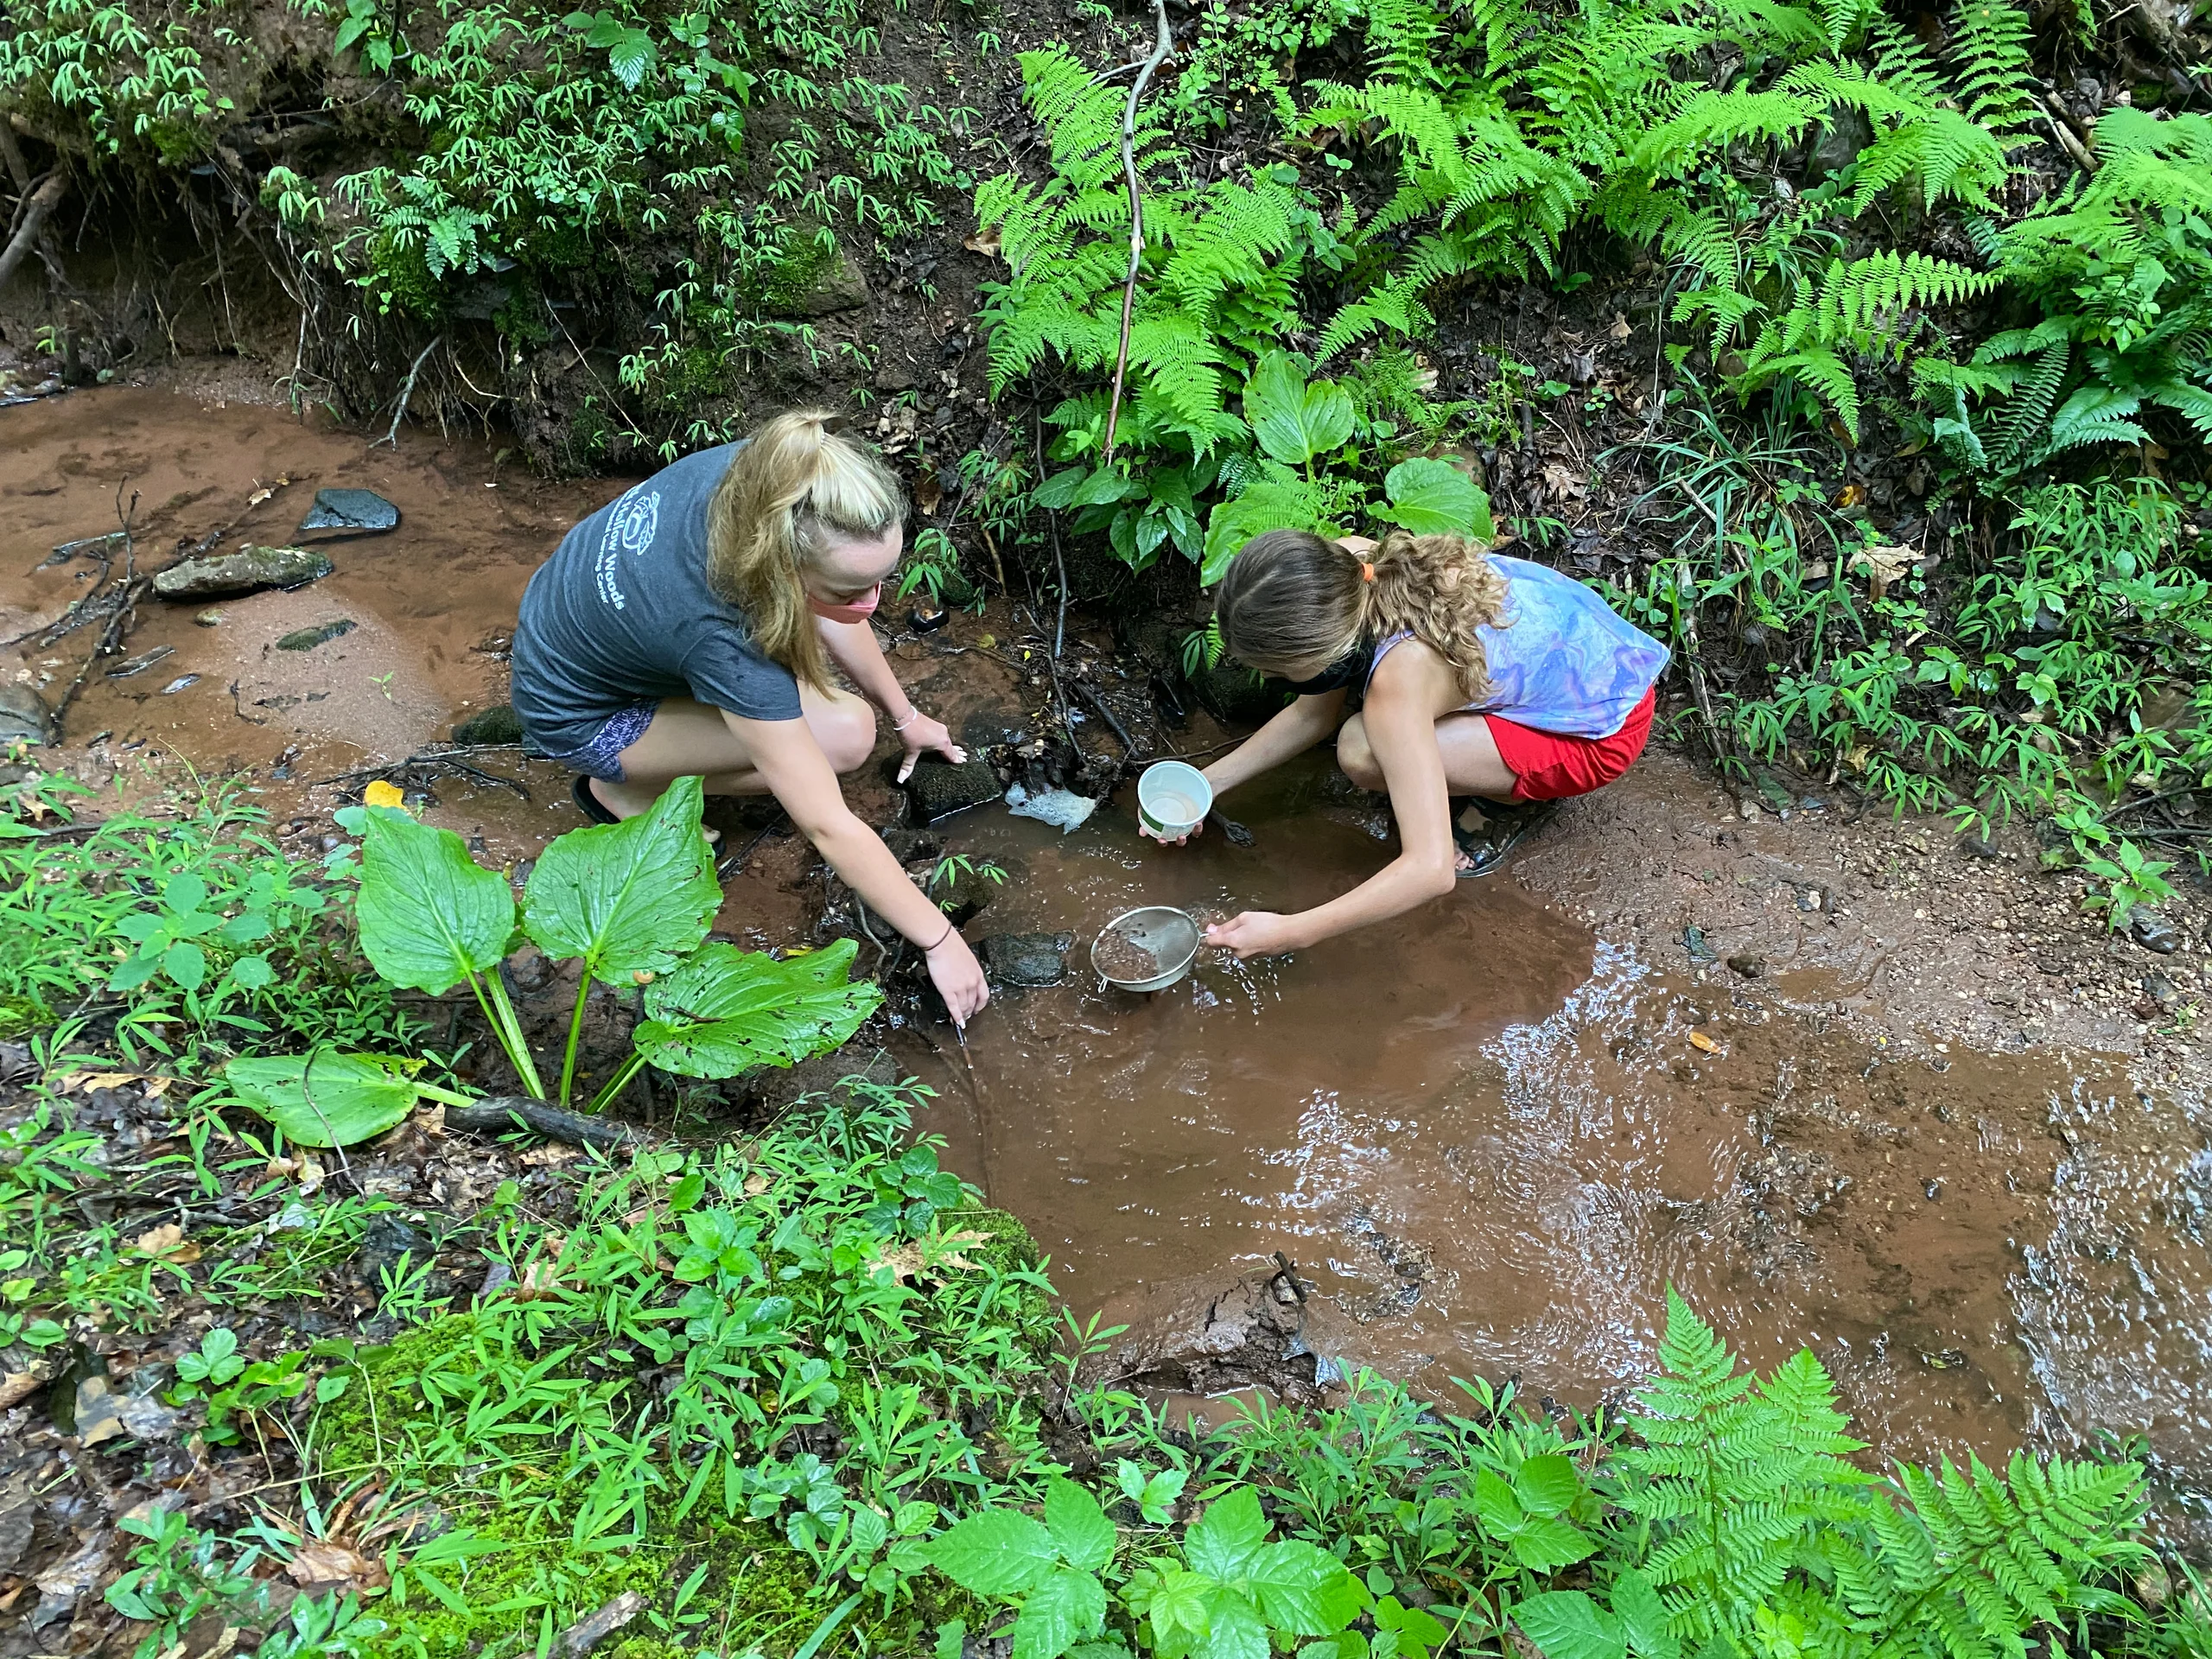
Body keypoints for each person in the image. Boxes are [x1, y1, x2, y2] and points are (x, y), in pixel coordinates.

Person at [508, 410, 990, 1025]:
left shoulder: (779, 472)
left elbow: (836, 607)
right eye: (850, 590)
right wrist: (940, 940)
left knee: (851, 719)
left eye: (880, 581)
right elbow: (827, 826)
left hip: (581, 622)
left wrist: (907, 716)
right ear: (783, 566)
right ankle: (619, 787)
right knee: (842, 741)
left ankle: (665, 749)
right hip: (580, 714)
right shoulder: (720, 633)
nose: (873, 604)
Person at [1155, 527, 1668, 958]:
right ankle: (1470, 766)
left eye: (1277, 671)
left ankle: (1503, 802)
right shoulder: (1347, 568)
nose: (1268, 679)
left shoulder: (1396, 687)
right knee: (1369, 733)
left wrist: (1292, 931)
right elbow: (1313, 714)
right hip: (1605, 663)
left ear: (1325, 649)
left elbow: (1430, 870)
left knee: (1359, 751)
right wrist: (1203, 786)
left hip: (1600, 736)